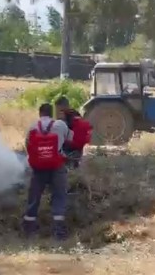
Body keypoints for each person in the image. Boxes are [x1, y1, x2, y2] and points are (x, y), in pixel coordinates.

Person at [22, 103, 72, 240]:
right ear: (52, 113)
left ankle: (29, 230)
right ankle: (59, 232)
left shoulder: (33, 126)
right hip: (57, 167)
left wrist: (38, 158)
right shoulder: (60, 125)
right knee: (59, 197)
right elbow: (70, 141)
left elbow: (28, 145)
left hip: (38, 169)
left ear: (40, 113)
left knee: (34, 198)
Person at [54, 96, 91, 168]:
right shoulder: (76, 113)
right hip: (80, 147)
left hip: (69, 146)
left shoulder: (64, 117)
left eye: (57, 108)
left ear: (61, 107)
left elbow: (60, 132)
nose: (56, 111)